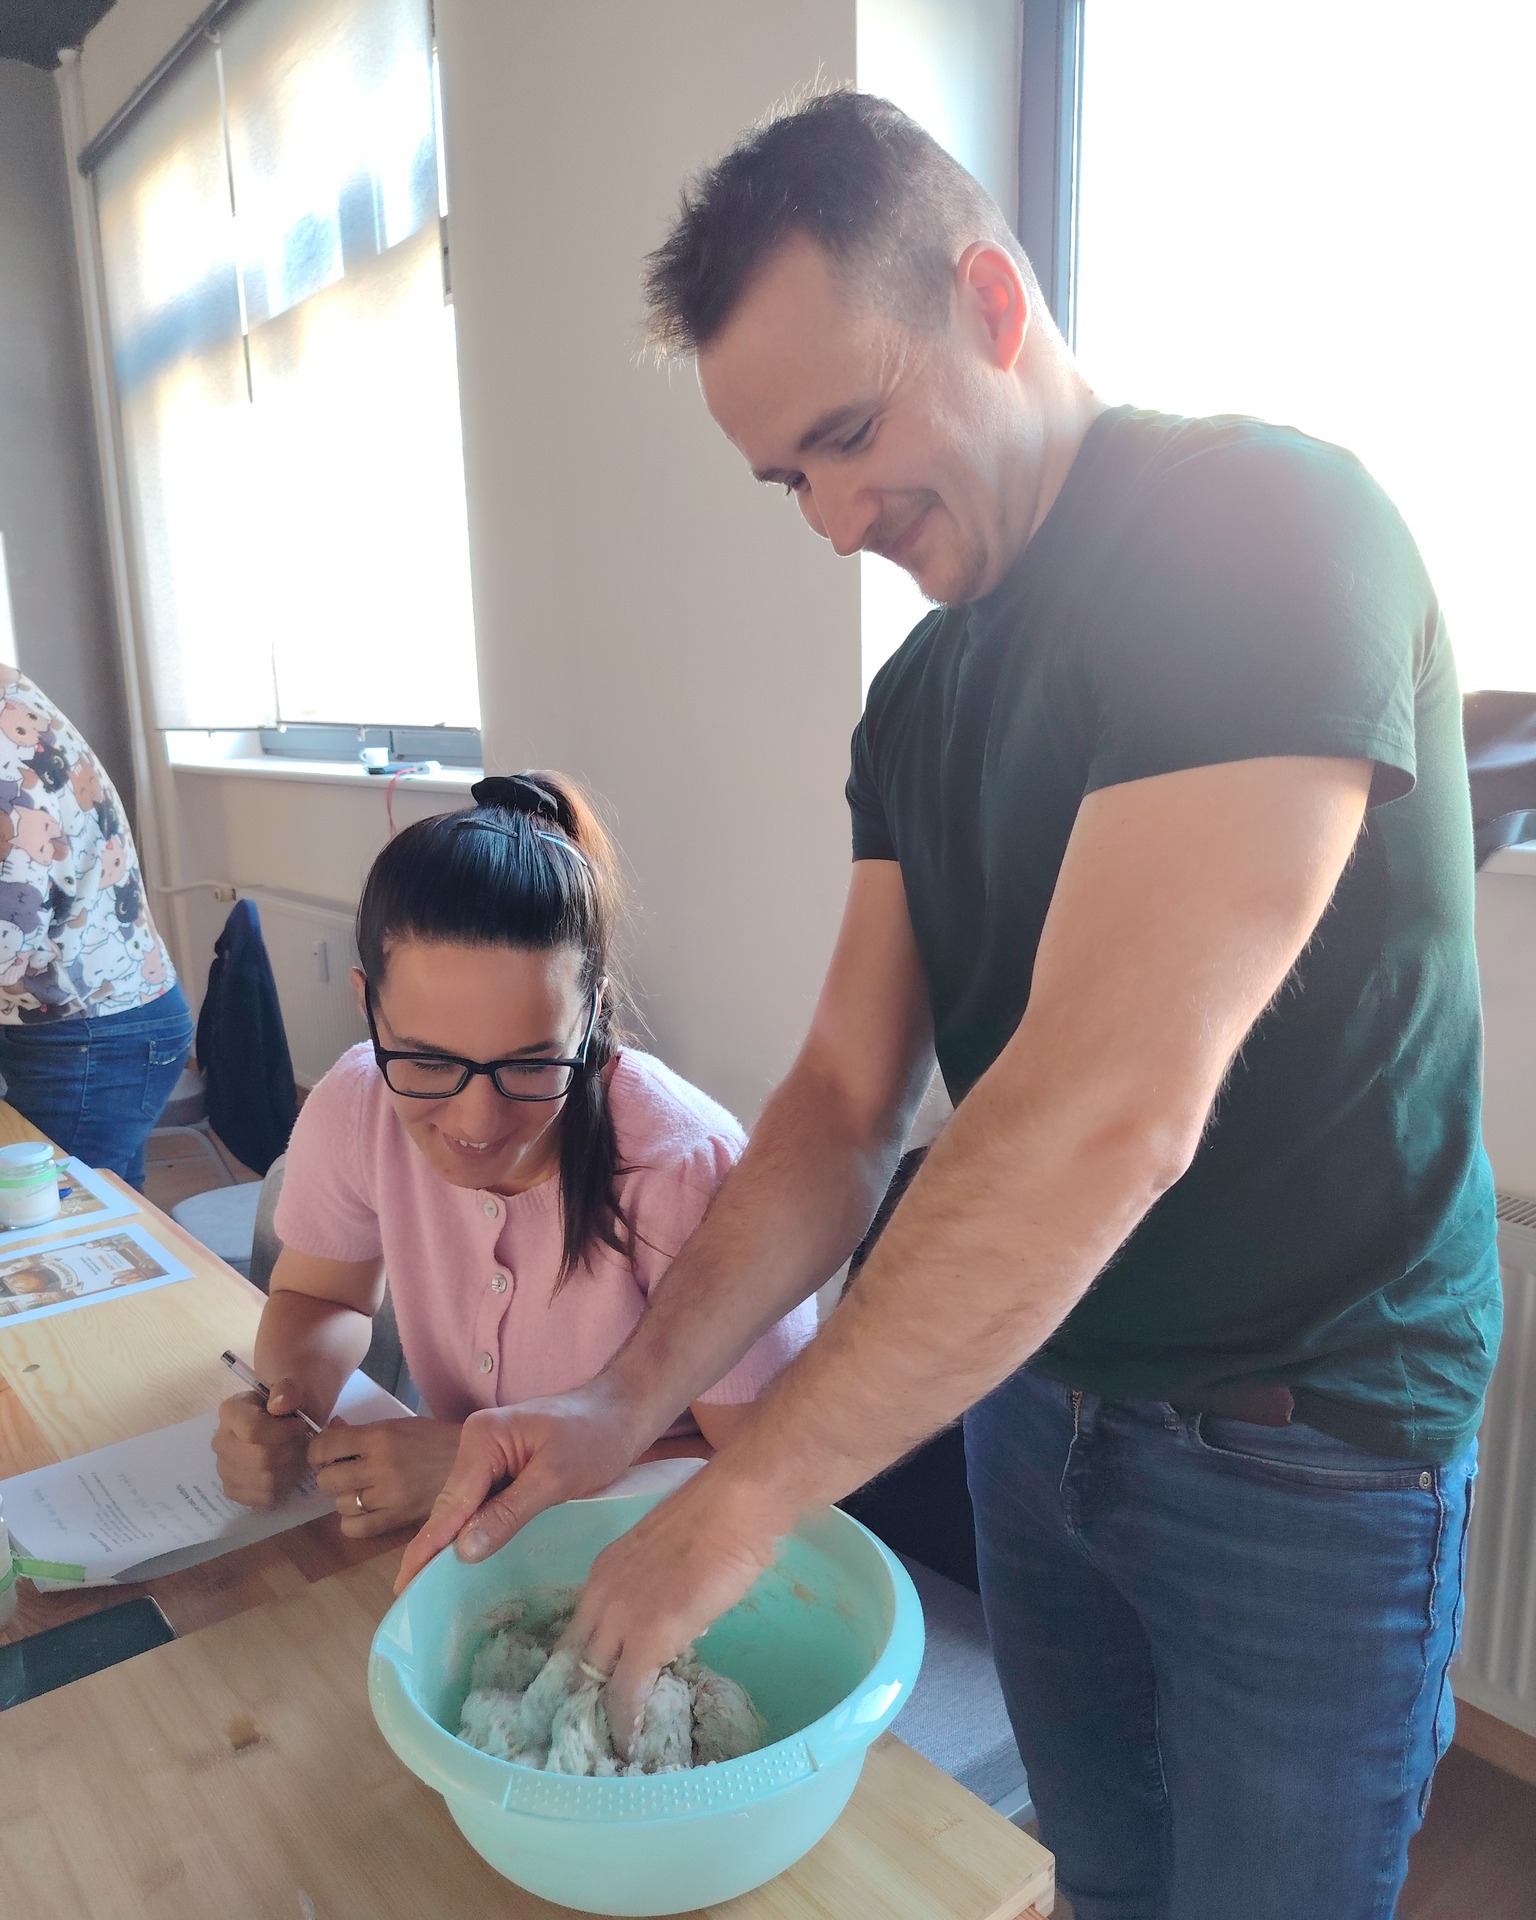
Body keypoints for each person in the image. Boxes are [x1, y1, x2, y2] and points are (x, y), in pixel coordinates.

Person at [402, 95, 1499, 1918]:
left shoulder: (1268, 530)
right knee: (1100, 1877)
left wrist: (739, 1504)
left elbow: (1107, 1107)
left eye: (850, 434)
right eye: (789, 481)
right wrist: (618, 1399)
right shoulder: (917, 700)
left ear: (991, 299)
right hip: (1033, 1390)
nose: (837, 518)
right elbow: (843, 1103)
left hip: (1300, 1438)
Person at [212, 772, 815, 1538]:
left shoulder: (685, 1173)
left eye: (531, 1064)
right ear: (367, 1005)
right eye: (428, 1061)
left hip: (655, 1551)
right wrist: (288, 1401)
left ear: (591, 1015)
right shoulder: (358, 1102)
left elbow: (764, 1465)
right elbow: (320, 1297)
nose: (477, 1120)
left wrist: (484, 1466)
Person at [0, 662, 191, 1186]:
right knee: (108, 1209)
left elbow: (11, 931)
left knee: (63, 1215)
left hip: (90, 1036)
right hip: (105, 1022)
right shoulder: (12, 695)